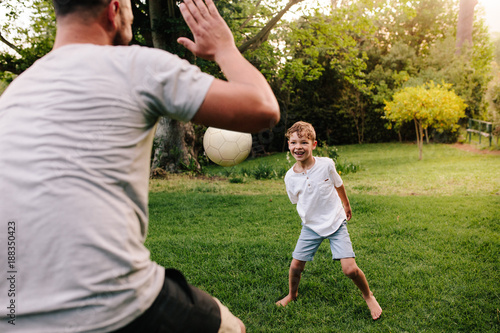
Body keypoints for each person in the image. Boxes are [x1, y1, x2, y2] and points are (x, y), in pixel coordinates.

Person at [0, 0, 279, 332]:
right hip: (109, 302)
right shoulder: (135, 66)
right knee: (231, 328)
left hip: (12, 313)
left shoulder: (15, 95)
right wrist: (224, 48)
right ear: (114, 10)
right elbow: (262, 108)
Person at [276, 121, 382, 321]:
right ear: (288, 145)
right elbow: (296, 200)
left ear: (314, 144)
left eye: (304, 142)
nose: (298, 147)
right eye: (293, 142)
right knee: (296, 267)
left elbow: (338, 184)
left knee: (349, 269)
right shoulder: (289, 177)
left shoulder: (326, 164)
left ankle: (368, 295)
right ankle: (292, 294)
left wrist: (346, 205)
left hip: (335, 221)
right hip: (311, 226)